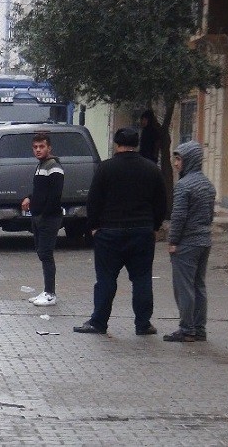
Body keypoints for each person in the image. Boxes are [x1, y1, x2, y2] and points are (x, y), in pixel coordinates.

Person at [74, 127, 167, 335]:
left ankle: (99, 322)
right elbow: (161, 203)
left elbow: (94, 201)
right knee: (142, 279)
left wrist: (94, 227)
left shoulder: (105, 169)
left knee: (106, 279)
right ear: (137, 144)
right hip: (142, 232)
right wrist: (154, 226)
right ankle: (143, 324)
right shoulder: (152, 169)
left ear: (116, 144)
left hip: (109, 233)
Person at [164, 141, 216, 342]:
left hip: (187, 243)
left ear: (190, 161)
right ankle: (199, 328)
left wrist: (173, 241)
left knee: (184, 287)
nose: (176, 164)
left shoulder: (183, 186)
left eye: (179, 160)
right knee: (199, 286)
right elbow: (209, 215)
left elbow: (178, 217)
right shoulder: (208, 185)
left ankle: (186, 329)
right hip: (204, 240)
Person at [21, 132, 64, 307]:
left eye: (42, 147)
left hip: (48, 218)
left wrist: (44, 215)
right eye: (35, 147)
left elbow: (54, 194)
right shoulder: (41, 166)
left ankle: (50, 294)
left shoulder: (54, 166)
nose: (38, 150)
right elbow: (40, 190)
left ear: (49, 147)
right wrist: (29, 198)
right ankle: (47, 290)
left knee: (46, 254)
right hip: (39, 216)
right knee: (42, 253)